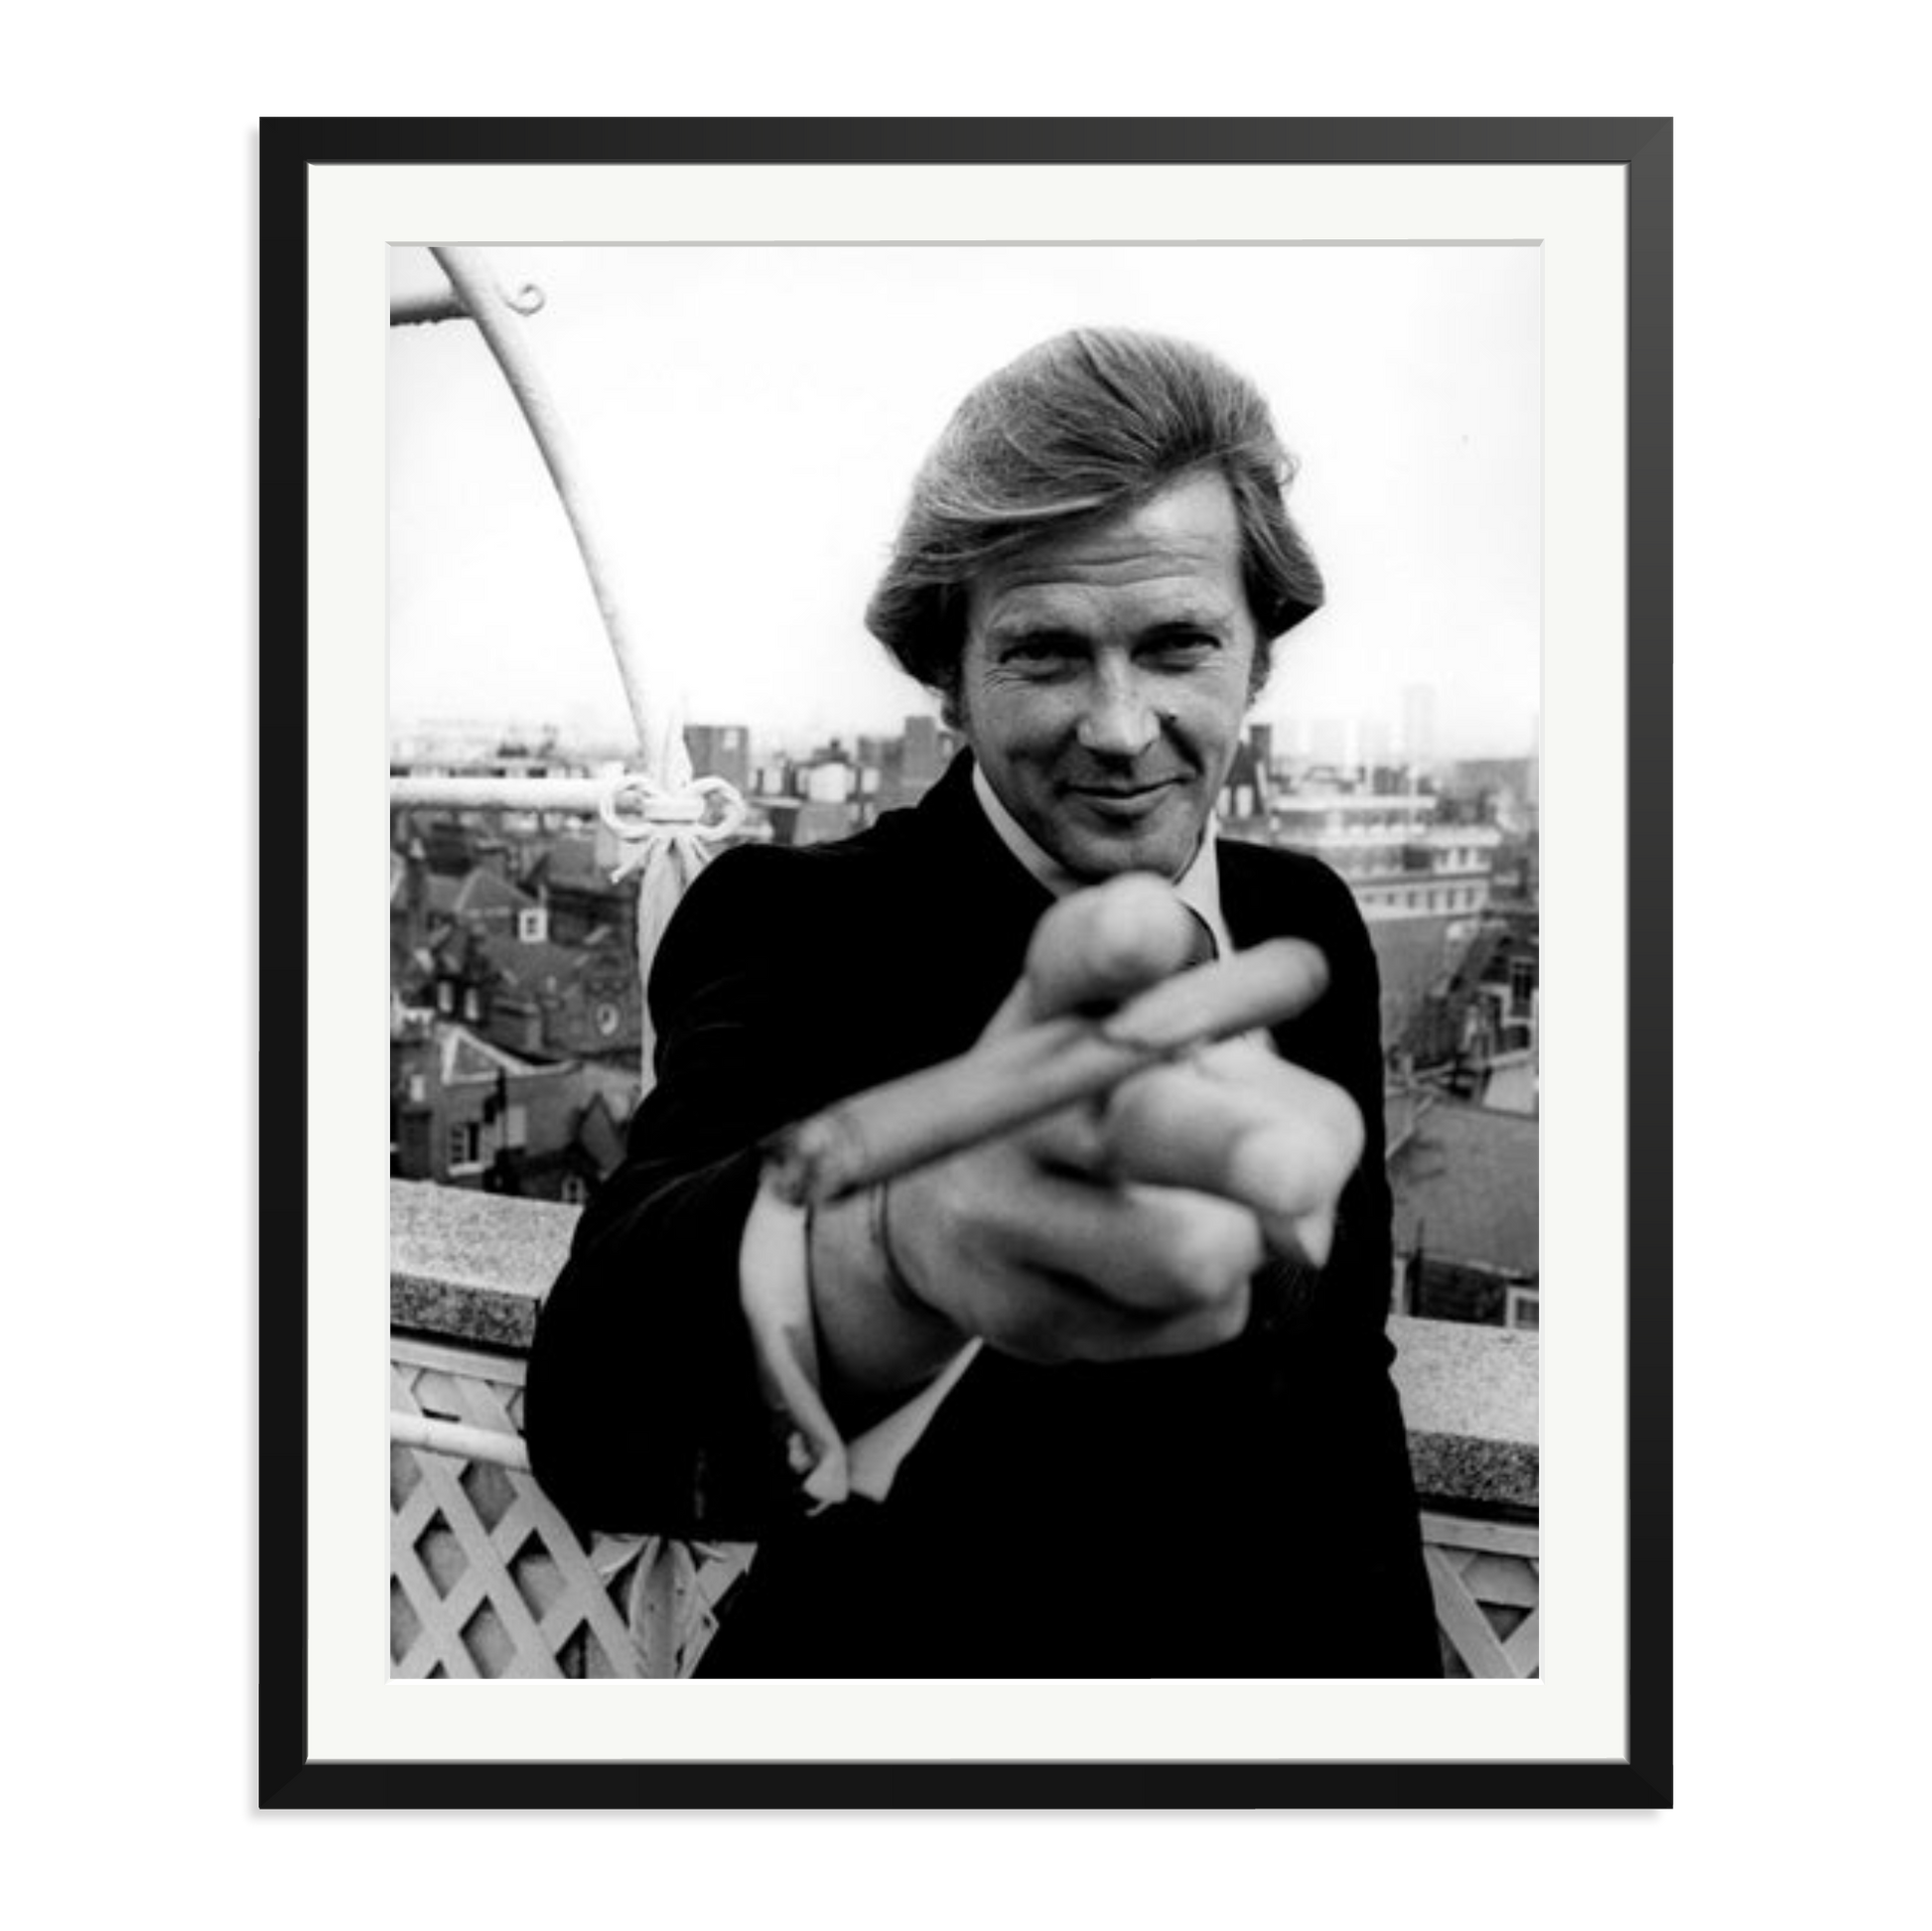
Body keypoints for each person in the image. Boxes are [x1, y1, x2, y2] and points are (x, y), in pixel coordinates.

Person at [525, 327, 1441, 1678]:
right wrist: (891, 1245)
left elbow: (1340, 1377)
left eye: (1178, 645)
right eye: (1045, 654)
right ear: (947, 679)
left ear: (1258, 657)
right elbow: (602, 1413)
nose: (1118, 728)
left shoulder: (1307, 918)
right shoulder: (796, 922)